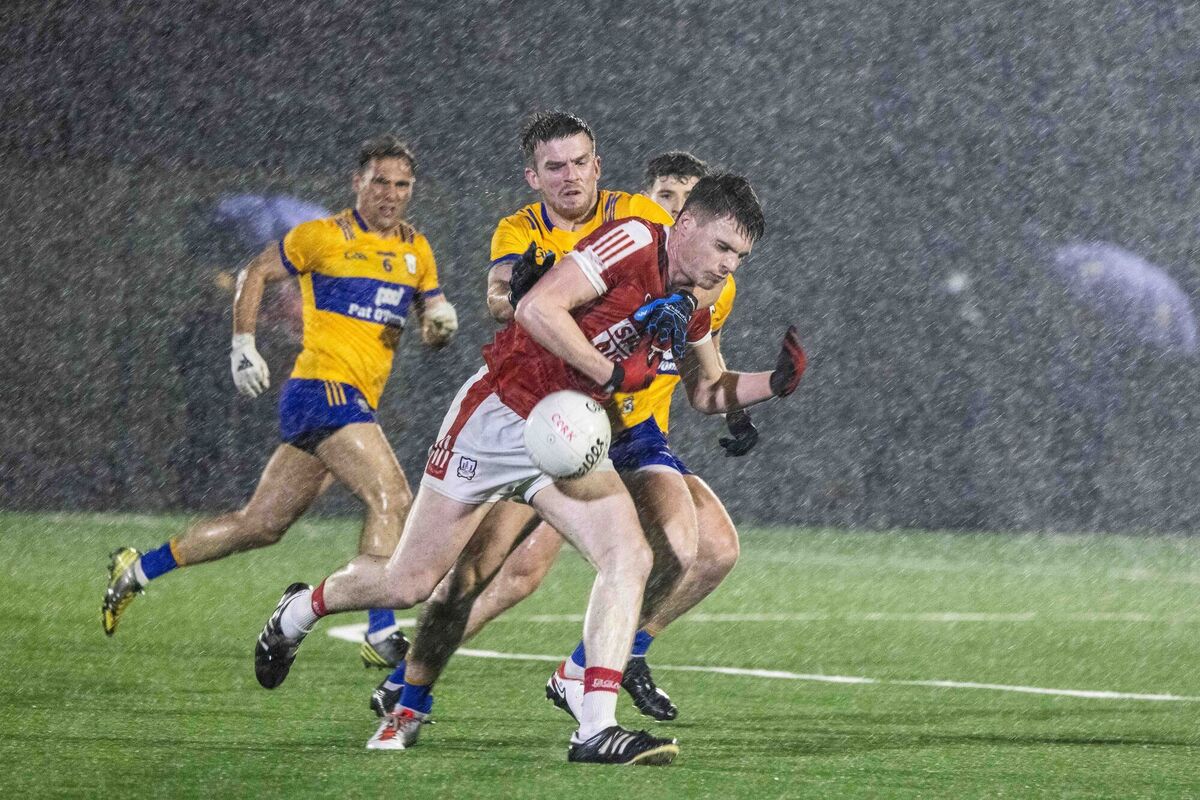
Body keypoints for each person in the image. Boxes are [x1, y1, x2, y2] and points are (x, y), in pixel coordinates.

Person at [252, 168, 804, 765]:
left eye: (741, 256)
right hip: (499, 416)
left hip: (566, 437)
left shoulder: (698, 299)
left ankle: (594, 728)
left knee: (631, 556)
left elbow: (703, 391)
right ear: (686, 223)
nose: (728, 265)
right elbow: (537, 308)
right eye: (722, 246)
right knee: (411, 581)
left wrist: (774, 383)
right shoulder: (636, 240)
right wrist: (611, 372)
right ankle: (301, 609)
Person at [374, 145, 766, 732]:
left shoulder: (713, 282)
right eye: (666, 196)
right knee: (486, 574)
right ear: (654, 203)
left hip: (631, 432)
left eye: (688, 195)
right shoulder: (622, 236)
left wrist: (750, 400)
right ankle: (409, 685)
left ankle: (603, 664)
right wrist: (518, 300)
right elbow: (522, 300)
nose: (674, 207)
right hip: (552, 414)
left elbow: (705, 378)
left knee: (705, 549)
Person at [102, 134, 459, 672]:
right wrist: (242, 346)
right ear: (357, 183)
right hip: (323, 389)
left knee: (261, 524)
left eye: (401, 184)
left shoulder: (416, 248)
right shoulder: (322, 236)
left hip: (353, 398)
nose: (390, 193)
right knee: (391, 495)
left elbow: (431, 316)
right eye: (379, 181)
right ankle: (381, 630)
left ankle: (137, 569)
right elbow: (255, 272)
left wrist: (438, 325)